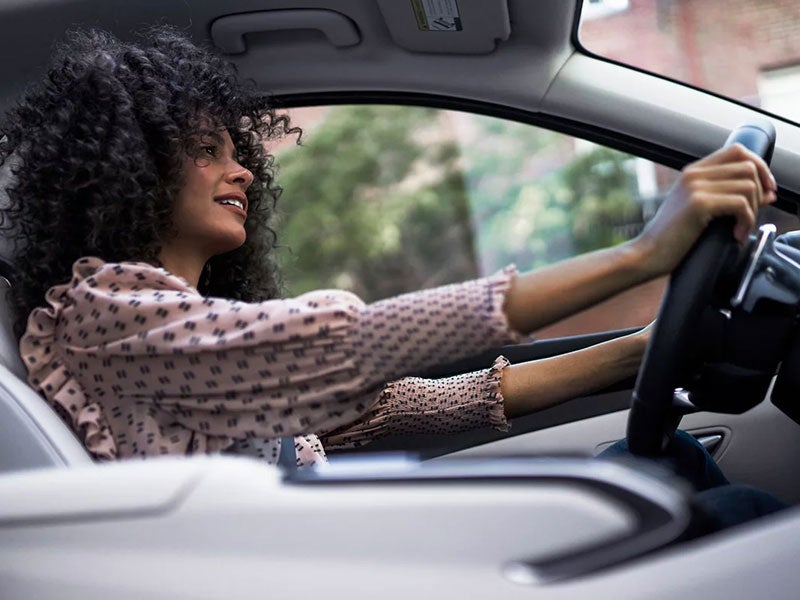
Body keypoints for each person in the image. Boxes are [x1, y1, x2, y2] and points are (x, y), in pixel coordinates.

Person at [0, 28, 778, 478]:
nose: (239, 168)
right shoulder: (104, 319)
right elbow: (347, 347)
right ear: (128, 166)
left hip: (318, 549)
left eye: (238, 151)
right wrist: (641, 256)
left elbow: (389, 407)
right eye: (205, 149)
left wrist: (637, 353)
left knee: (666, 465)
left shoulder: (185, 324)